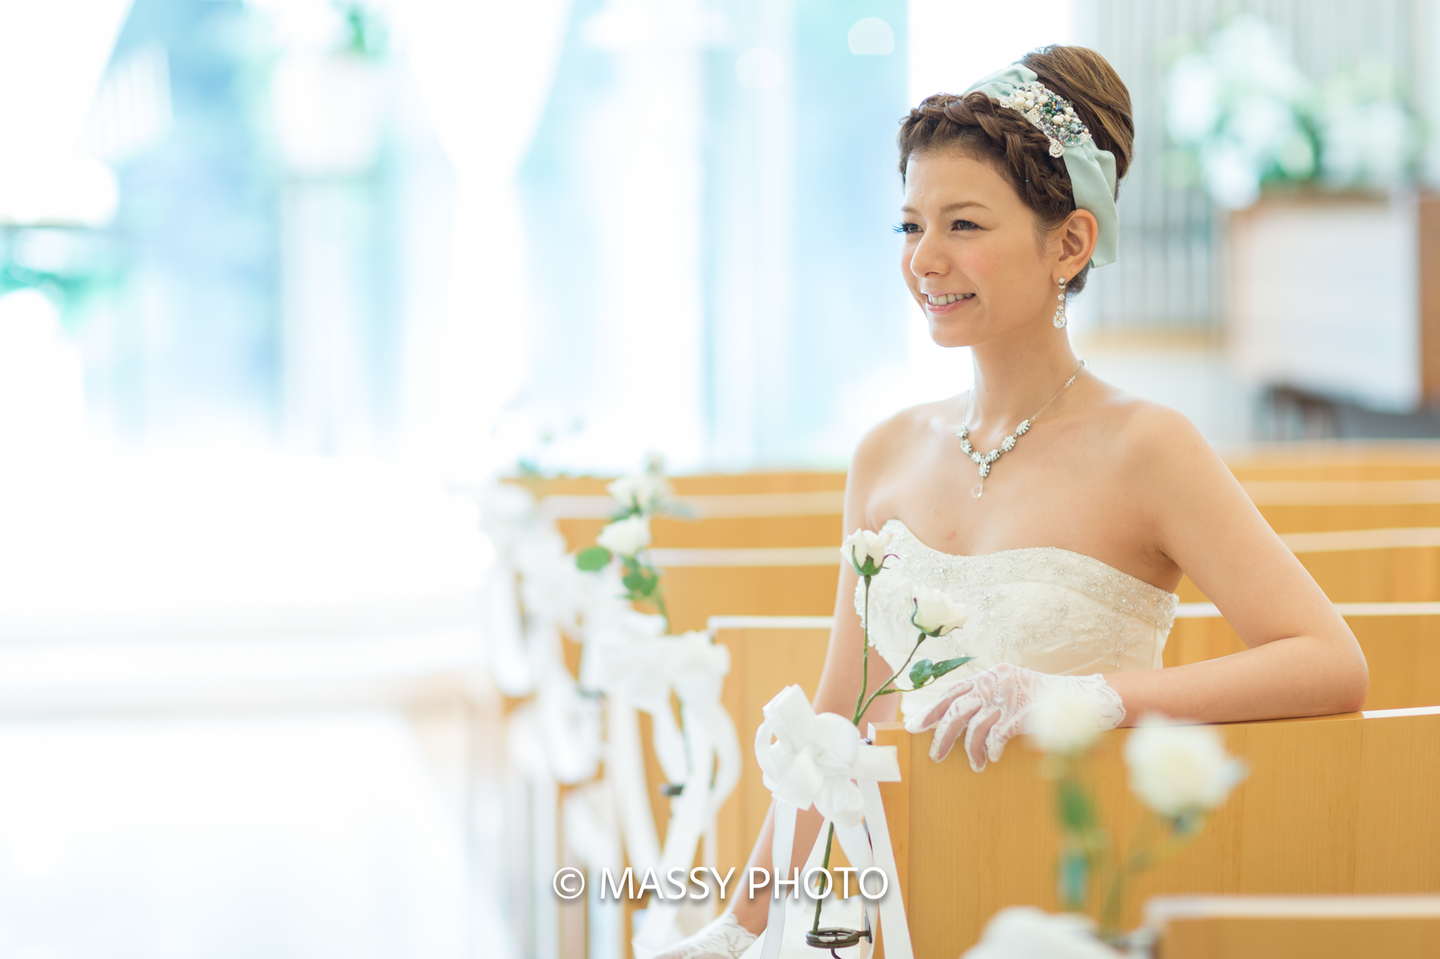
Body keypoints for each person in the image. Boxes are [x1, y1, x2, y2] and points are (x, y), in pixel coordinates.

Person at [656, 44, 1368, 959]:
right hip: (892, 904)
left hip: (1055, 903)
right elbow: (839, 717)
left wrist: (1090, 697)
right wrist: (742, 924)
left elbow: (1329, 662)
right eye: (910, 225)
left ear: (1069, 243)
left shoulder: (1149, 448)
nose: (925, 259)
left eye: (964, 224)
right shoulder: (884, 454)